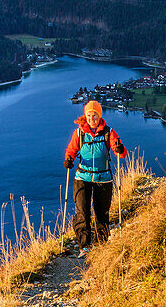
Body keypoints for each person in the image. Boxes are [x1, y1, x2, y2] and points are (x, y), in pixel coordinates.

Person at [64, 100, 126, 253]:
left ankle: (102, 245)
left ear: (100, 116)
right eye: (89, 115)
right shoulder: (79, 133)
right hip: (82, 178)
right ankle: (84, 246)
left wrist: (119, 148)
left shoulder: (109, 132)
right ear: (85, 116)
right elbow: (71, 150)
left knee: (101, 213)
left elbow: (122, 154)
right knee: (82, 213)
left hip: (103, 179)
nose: (92, 118)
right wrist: (69, 160)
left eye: (95, 115)